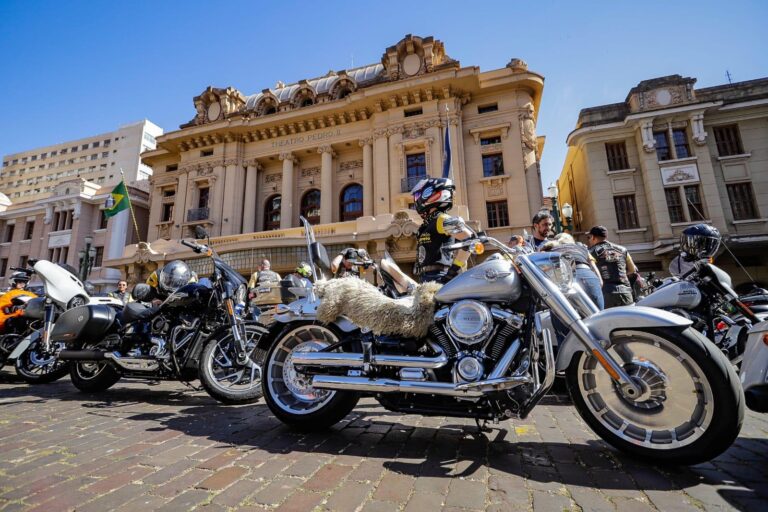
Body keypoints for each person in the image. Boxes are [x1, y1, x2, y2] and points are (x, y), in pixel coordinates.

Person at [411, 177, 472, 284]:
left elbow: (469, 239)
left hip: (439, 278)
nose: (416, 200)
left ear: (429, 194)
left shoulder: (441, 219)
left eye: (417, 196)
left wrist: (453, 271)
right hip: (426, 279)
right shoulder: (429, 223)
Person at [541, 233, 604, 309]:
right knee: (598, 314)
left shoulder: (551, 250)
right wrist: (599, 281)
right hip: (588, 275)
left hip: (564, 279)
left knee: (563, 317)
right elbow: (593, 267)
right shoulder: (580, 247)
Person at [586, 226, 636, 308]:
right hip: (625, 293)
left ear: (593, 237)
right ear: (606, 237)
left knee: (609, 320)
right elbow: (632, 270)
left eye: (589, 237)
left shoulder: (590, 252)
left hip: (605, 294)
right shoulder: (623, 249)